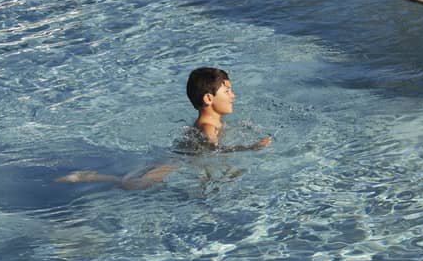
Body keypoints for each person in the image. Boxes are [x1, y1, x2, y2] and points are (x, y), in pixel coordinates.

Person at [56, 66, 269, 188]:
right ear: (208, 98)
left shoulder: (214, 123)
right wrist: (249, 148)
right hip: (176, 160)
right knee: (134, 185)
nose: (233, 96)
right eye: (227, 92)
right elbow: (214, 150)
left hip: (183, 156)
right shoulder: (207, 127)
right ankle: (89, 176)